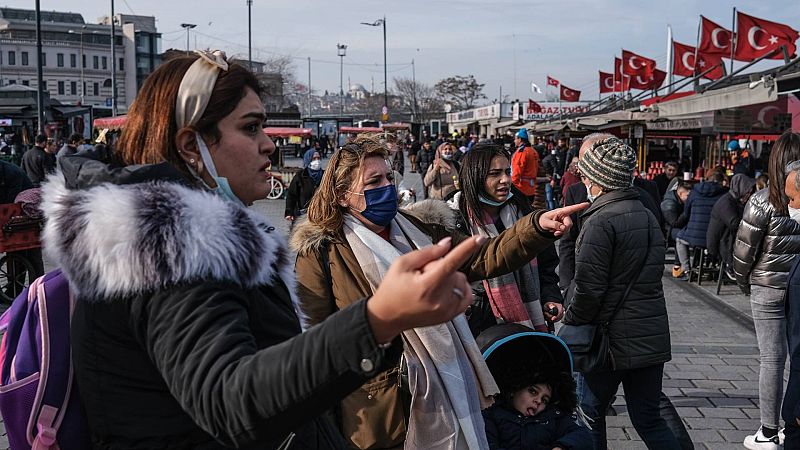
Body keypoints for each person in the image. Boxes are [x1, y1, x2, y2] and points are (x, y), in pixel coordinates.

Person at [40, 51, 487, 449]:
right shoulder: (171, 247)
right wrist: (378, 320)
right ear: (190, 145)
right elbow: (228, 401)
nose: (270, 143)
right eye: (251, 127)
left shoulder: (176, 240)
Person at [290, 134, 585, 449]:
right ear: (342, 194)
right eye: (374, 181)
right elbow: (315, 343)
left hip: (444, 386)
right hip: (375, 408)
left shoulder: (417, 229)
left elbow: (483, 255)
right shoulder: (322, 251)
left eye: (389, 177)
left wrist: (536, 225)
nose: (387, 187)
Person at [563, 136, 679, 449]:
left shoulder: (600, 220)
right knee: (648, 418)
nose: (583, 181)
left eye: (586, 176)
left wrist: (570, 321)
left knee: (589, 412)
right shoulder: (646, 213)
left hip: (610, 341)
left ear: (597, 181)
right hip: (650, 334)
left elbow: (589, 288)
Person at [448, 143, 565, 336]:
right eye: (494, 174)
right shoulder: (454, 220)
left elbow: (546, 265)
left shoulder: (525, 211)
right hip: (479, 327)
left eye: (507, 172)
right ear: (475, 176)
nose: (505, 180)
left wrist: (551, 298)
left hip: (530, 322)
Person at [734, 131, 800, 449]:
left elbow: (744, 250)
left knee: (772, 359)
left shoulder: (763, 200)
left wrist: (742, 279)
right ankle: (793, 423)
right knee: (797, 359)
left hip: (767, 286)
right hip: (797, 287)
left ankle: (768, 431)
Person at [479, 325, 592, 450]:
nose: (538, 401)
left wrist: (561, 446)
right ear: (514, 390)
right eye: (533, 391)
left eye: (545, 400)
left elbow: (582, 436)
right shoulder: (494, 416)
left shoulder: (552, 417)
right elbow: (487, 445)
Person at [674, 171, 727, 281]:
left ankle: (686, 269)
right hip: (714, 238)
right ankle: (715, 266)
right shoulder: (724, 194)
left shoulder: (694, 192)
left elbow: (686, 213)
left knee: (679, 238)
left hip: (694, 236)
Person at [707, 174, 755, 281]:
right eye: (747, 192)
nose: (749, 195)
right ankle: (732, 267)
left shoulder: (735, 200)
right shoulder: (726, 202)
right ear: (740, 189)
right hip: (720, 241)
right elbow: (734, 223)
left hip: (726, 237)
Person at [661, 182, 692, 278]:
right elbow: (674, 223)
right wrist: (686, 211)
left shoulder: (678, 200)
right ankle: (678, 267)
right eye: (688, 195)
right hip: (668, 230)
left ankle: (679, 265)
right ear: (681, 193)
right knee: (681, 236)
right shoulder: (669, 204)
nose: (689, 198)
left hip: (675, 227)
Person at [284, 149, 324, 224]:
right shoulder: (300, 176)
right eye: (314, 158)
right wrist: (289, 212)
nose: (317, 161)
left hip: (321, 216)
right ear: (308, 160)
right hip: (302, 216)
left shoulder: (326, 175)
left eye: (318, 158)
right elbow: (291, 195)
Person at [511, 128, 539, 205]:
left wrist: (512, 186)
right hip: (531, 188)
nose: (514, 141)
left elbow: (517, 169)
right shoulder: (533, 151)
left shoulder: (522, 152)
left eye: (515, 139)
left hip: (521, 188)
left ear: (520, 139)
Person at [542, 145, 565, 210]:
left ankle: (551, 211)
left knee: (549, 198)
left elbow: (555, 167)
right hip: (548, 179)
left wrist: (553, 179)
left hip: (549, 179)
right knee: (549, 198)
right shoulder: (551, 157)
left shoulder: (550, 158)